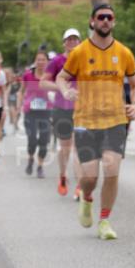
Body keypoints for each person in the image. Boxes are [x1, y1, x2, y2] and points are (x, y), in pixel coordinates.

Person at [56, 3, 135, 241]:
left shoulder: (124, 52)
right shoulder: (80, 52)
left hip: (115, 121)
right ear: (92, 21)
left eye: (109, 17)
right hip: (85, 121)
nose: (105, 21)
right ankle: (87, 197)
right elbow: (61, 77)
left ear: (114, 22)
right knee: (90, 178)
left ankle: (104, 219)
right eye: (101, 17)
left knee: (112, 170)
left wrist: (134, 104)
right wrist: (65, 91)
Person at [41, 28, 82, 197]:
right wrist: (63, 87)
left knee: (79, 148)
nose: (72, 42)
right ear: (64, 42)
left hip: (82, 109)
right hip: (61, 108)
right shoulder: (57, 61)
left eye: (75, 39)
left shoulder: (86, 59)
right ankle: (63, 175)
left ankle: (80, 185)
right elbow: (43, 83)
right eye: (69, 39)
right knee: (65, 147)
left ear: (80, 41)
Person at [18, 49, 52, 179]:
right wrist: (19, 104)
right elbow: (21, 91)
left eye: (43, 59)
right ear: (35, 61)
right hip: (30, 112)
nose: (41, 62)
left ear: (47, 62)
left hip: (46, 112)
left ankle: (40, 166)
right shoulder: (27, 75)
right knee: (32, 141)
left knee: (43, 141)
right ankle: (31, 158)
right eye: (38, 59)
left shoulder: (51, 76)